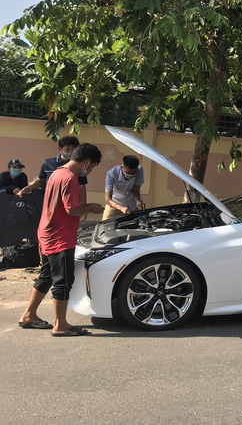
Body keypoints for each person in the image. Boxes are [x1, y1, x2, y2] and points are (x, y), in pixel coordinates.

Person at [17, 143, 105, 336]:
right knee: (63, 281)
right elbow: (71, 209)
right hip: (60, 237)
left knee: (47, 276)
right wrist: (92, 207)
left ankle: (28, 315)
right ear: (86, 161)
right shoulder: (70, 178)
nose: (90, 171)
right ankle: (61, 325)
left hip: (47, 232)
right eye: (91, 167)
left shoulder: (57, 173)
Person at [18, 135, 87, 204]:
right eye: (67, 149)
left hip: (70, 201)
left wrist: (83, 205)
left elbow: (81, 186)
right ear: (60, 149)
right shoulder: (48, 163)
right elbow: (41, 181)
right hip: (50, 200)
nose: (70, 152)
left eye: (73, 150)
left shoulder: (78, 166)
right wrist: (27, 189)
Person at [103, 154, 146, 220]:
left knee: (138, 222)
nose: (130, 175)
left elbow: (136, 191)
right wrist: (120, 207)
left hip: (132, 203)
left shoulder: (139, 169)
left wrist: (138, 200)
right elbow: (107, 199)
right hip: (115, 203)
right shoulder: (111, 173)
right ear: (121, 167)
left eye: (133, 173)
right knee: (105, 223)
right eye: (128, 173)